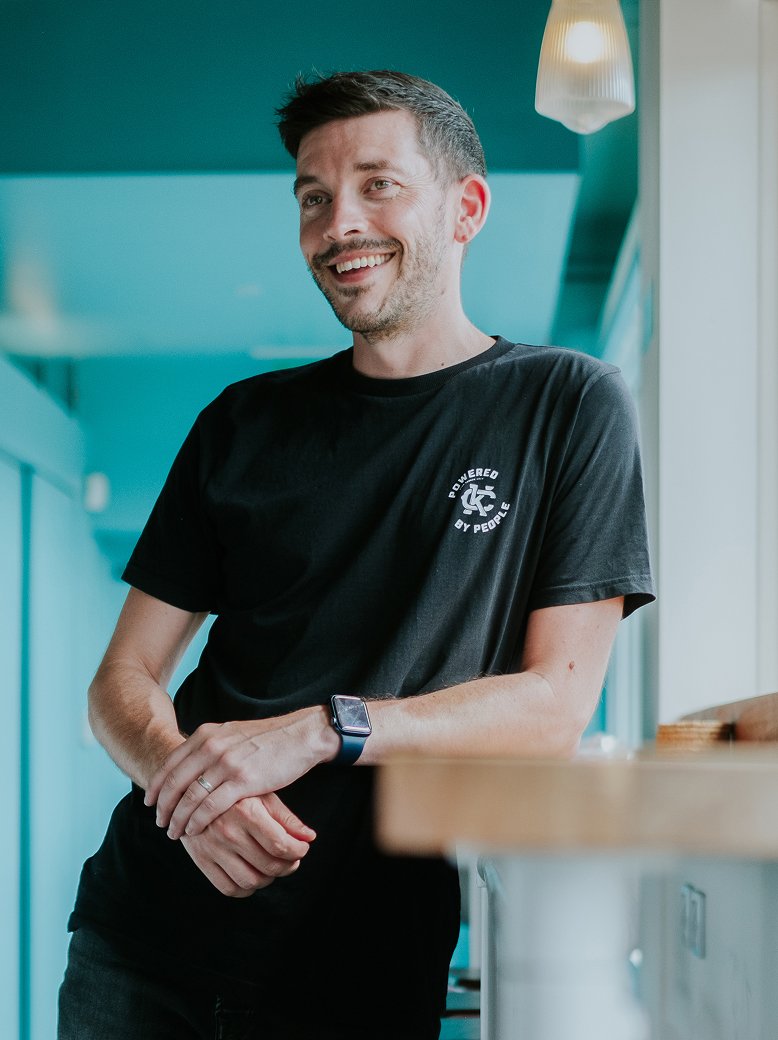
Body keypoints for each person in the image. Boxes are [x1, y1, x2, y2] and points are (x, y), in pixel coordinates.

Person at [59, 70, 655, 1040]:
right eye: (313, 196)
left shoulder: (569, 405)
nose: (339, 223)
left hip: (361, 959)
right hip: (141, 941)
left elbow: (554, 705)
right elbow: (119, 681)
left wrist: (321, 726)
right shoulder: (241, 423)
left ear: (467, 208)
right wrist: (186, 791)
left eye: (378, 184)